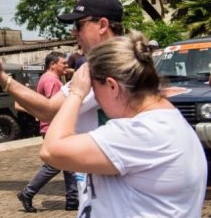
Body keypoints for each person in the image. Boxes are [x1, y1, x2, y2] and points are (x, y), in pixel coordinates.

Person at [0, 0, 123, 212]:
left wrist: (2, 79)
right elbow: (48, 109)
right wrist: (2, 78)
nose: (73, 32)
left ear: (102, 25)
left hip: (114, 196)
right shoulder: (100, 66)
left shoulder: (108, 67)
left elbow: (49, 115)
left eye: (78, 25)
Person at [40, 33, 207, 216]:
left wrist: (77, 93)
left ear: (112, 86)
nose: (96, 99)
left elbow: (50, 151)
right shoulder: (168, 122)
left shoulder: (141, 132)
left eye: (94, 90)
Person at [17, 51, 78, 212]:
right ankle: (27, 193)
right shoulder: (51, 80)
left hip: (52, 127)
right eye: (63, 63)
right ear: (52, 64)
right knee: (54, 165)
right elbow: (54, 107)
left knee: (67, 163)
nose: (66, 65)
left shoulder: (47, 78)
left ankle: (73, 199)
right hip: (54, 128)